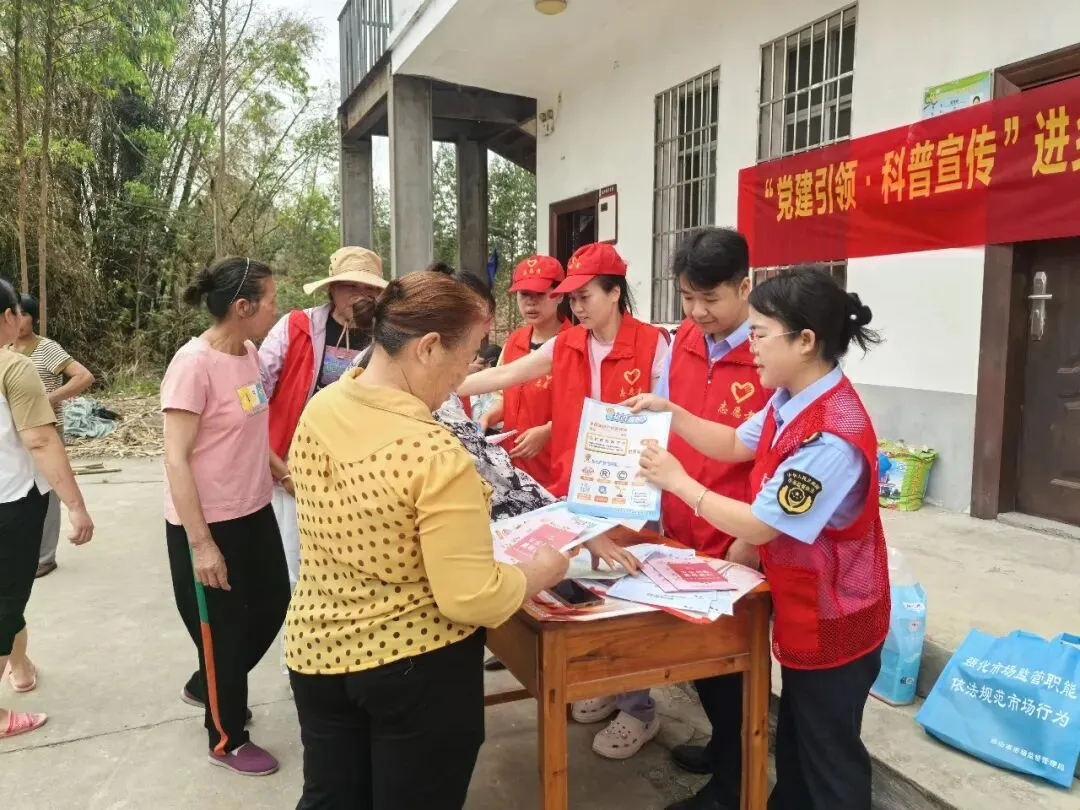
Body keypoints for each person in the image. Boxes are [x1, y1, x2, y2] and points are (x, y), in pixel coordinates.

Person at [285, 270, 570, 809]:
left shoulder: (322, 407)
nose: (464, 376)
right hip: (413, 668)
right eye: (466, 359)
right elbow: (471, 597)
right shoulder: (434, 454)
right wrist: (543, 570)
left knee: (330, 797)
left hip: (318, 650)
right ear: (429, 347)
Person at [627, 267, 890, 810]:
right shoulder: (789, 400)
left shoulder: (830, 437)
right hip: (805, 605)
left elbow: (761, 524)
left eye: (760, 334)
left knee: (829, 756)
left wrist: (679, 482)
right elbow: (732, 442)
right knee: (797, 742)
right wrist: (671, 412)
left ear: (805, 341)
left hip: (838, 615)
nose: (751, 347)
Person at [458, 242, 671, 759]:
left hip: (631, 489)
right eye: (571, 298)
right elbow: (507, 375)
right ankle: (608, 685)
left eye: (585, 296)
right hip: (575, 485)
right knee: (589, 590)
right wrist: (434, 380)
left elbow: (671, 412)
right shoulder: (567, 343)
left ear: (615, 293)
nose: (576, 306)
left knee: (628, 597)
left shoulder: (653, 344)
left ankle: (639, 709)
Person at [163, 257, 291, 776]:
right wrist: (201, 544)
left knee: (274, 603)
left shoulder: (250, 354)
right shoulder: (192, 365)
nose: (276, 310)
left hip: (254, 508)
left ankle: (208, 682)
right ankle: (227, 738)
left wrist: (282, 472)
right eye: (271, 301)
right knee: (224, 630)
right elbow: (176, 458)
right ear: (243, 307)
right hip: (208, 522)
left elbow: (251, 431)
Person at [654, 228, 773, 778]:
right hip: (682, 523)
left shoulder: (768, 353)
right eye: (687, 297)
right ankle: (724, 749)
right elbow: (671, 421)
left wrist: (750, 541)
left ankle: (735, 780)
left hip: (734, 534)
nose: (697, 312)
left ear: (745, 287)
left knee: (735, 665)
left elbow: (775, 457)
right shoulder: (685, 337)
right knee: (700, 658)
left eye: (710, 298)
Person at [259, 247, 387, 591]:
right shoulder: (296, 328)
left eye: (370, 288)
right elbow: (255, 391)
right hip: (294, 467)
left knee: (352, 565)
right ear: (332, 289)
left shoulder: (387, 339)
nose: (361, 295)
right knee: (295, 564)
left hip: (359, 472)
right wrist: (278, 466)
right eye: (351, 286)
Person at [0, 279, 94, 739]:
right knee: (5, 600)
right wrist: (76, 506)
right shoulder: (13, 366)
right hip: (11, 500)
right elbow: (39, 439)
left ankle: (20, 666)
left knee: (9, 594)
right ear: (7, 316)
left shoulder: (33, 355)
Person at [10, 294, 95, 578]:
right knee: (20, 491)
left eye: (23, 314)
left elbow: (83, 376)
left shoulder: (46, 348)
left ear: (33, 318)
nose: (17, 320)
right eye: (13, 314)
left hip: (44, 430)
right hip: (15, 432)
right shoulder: (6, 348)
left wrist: (49, 398)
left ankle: (45, 557)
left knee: (48, 490)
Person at [476, 255, 570, 487]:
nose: (530, 303)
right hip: (514, 463)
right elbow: (505, 396)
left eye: (539, 294)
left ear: (559, 295)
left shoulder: (575, 344)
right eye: (524, 294)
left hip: (555, 467)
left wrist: (549, 430)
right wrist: (488, 417)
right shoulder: (515, 341)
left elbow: (585, 407)